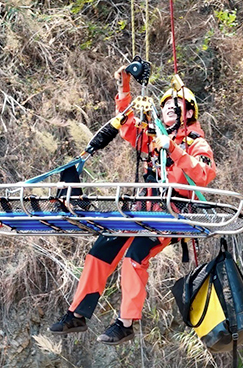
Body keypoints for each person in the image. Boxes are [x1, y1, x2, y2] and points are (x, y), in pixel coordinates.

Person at [49, 65, 217, 345]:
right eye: (165, 107)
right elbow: (126, 124)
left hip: (170, 215)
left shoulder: (195, 144)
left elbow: (203, 176)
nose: (169, 111)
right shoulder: (154, 138)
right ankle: (77, 314)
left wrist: (173, 148)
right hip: (141, 210)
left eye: (176, 107)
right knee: (102, 248)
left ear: (188, 113)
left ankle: (125, 322)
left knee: (135, 256)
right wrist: (123, 89)